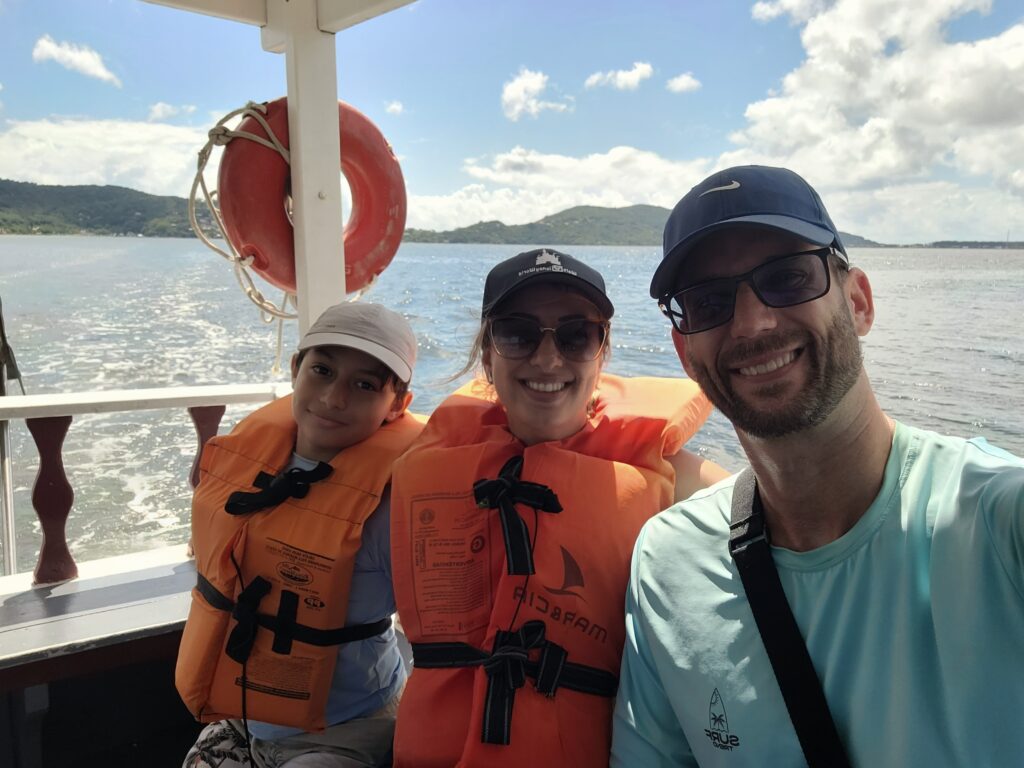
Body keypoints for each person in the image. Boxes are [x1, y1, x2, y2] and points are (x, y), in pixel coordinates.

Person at [611, 165, 1024, 767]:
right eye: (708, 302)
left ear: (858, 302)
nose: (752, 323)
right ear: (685, 352)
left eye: (787, 277)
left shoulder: (995, 522)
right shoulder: (669, 564)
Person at [389, 248, 728, 767]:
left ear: (602, 353)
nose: (547, 361)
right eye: (518, 334)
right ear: (487, 355)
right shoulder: (421, 469)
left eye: (576, 336)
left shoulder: (674, 484)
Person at [177, 301, 423, 768]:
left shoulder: (397, 502)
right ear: (296, 369)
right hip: (244, 717)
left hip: (347, 729)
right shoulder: (249, 468)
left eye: (365, 384)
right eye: (323, 370)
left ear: (398, 405)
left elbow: (434, 632)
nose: (334, 397)